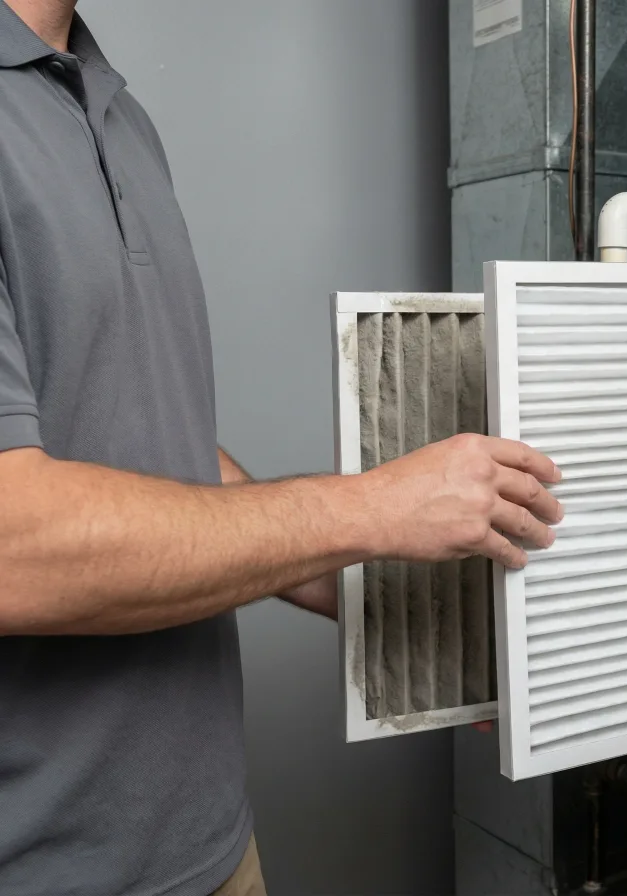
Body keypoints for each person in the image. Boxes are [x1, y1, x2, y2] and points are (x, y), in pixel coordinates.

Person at [0, 1, 563, 894]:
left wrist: (405, 613)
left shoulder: (114, 110)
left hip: (212, 848)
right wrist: (370, 509)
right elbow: (12, 549)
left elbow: (148, 446)